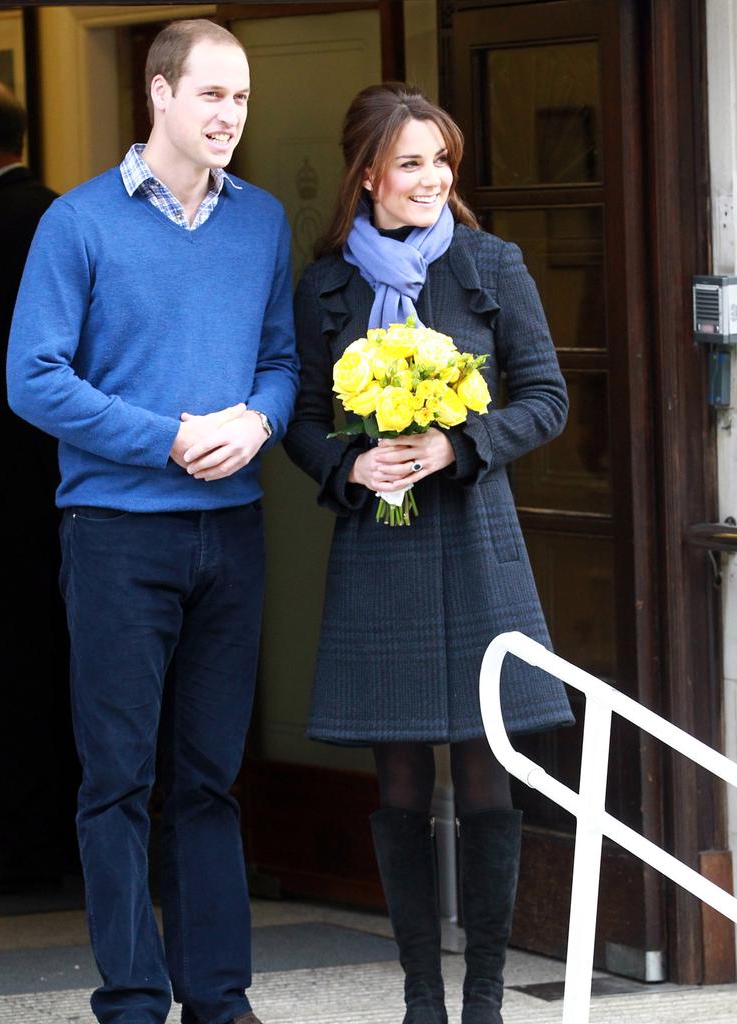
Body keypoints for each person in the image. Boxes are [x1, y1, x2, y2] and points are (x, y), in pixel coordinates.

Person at [7, 19, 298, 1024]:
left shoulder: (260, 222)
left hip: (234, 531)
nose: (230, 116)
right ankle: (132, 1000)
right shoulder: (77, 223)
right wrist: (166, 437)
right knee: (118, 780)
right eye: (212, 95)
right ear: (159, 95)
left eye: (243, 99)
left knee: (209, 779)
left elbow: (282, 360)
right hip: (118, 533)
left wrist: (260, 420)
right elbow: (31, 379)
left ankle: (220, 1000)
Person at [284, 83, 574, 1024]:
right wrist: (352, 464)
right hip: (381, 552)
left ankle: (484, 997)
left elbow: (547, 396)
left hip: (480, 546)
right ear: (368, 173)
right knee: (401, 777)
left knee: (487, 771)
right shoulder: (327, 285)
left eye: (440, 161)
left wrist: (459, 440)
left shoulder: (493, 263)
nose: (430, 178)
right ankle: (420, 999)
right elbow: (300, 422)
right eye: (410, 162)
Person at [0, 73, 76, 891]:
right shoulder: (60, 214)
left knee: (11, 666)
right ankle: (56, 833)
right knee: (59, 659)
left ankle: (30, 841)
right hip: (69, 482)